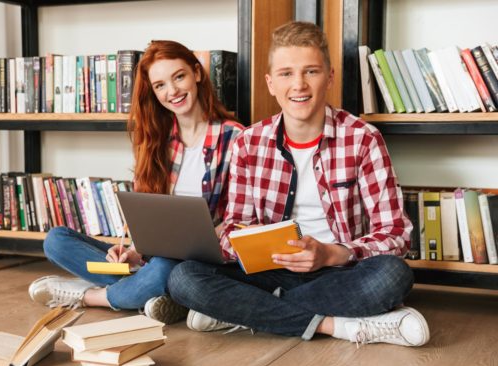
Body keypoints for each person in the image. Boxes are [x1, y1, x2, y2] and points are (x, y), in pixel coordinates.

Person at [168, 21, 430, 347]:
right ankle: (337, 326)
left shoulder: (363, 138)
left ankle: (243, 313)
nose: (299, 85)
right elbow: (235, 226)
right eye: (286, 74)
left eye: (311, 71)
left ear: (330, 77)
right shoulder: (249, 143)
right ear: (270, 83)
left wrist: (333, 253)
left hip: (339, 271)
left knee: (394, 275)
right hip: (269, 271)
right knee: (183, 278)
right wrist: (246, 243)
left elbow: (396, 233)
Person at [28, 40, 244, 323]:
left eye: (179, 77)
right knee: (56, 240)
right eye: (160, 85)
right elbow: (148, 214)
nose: (173, 91)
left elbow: (239, 218)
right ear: (153, 93)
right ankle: (150, 293)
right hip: (151, 258)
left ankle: (89, 296)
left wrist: (192, 242)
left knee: (167, 269)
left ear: (197, 74)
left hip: (196, 263)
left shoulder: (236, 137)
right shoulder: (157, 139)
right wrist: (131, 252)